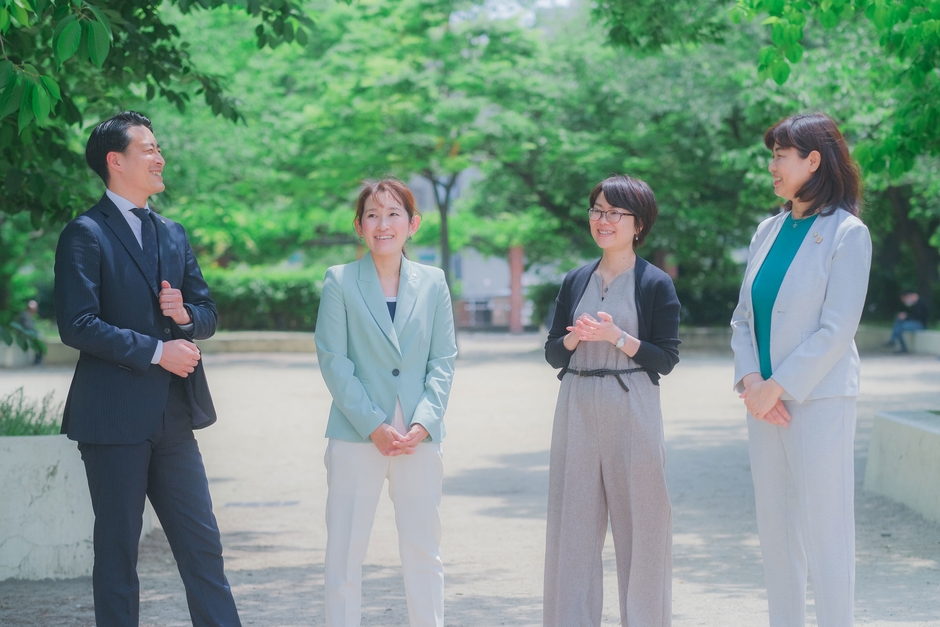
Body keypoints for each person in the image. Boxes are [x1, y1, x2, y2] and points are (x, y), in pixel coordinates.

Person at [54, 111, 240, 626]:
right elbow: (77, 324)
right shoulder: (85, 233)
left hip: (174, 417)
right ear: (115, 161)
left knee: (203, 548)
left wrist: (185, 317)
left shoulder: (173, 233)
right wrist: (158, 351)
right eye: (148, 149)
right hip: (112, 418)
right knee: (118, 555)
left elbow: (207, 314)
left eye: (159, 148)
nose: (160, 157)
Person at [730, 112, 872, 627]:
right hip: (762, 403)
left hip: (818, 398)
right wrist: (752, 382)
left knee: (825, 528)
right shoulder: (766, 230)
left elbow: (837, 329)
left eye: (780, 156)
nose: (772, 166)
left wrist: (778, 386)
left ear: (813, 161)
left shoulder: (847, 233)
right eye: (772, 156)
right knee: (776, 529)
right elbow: (742, 318)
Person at [315, 178, 457, 627]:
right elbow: (334, 360)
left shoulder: (433, 282)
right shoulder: (339, 281)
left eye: (394, 214)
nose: (383, 225)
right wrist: (374, 425)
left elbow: (443, 360)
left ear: (412, 224)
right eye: (372, 215)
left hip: (418, 436)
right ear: (359, 226)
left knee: (423, 548)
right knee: (345, 552)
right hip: (356, 433)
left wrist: (425, 422)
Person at [543, 174, 680, 627]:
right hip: (577, 401)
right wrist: (573, 338)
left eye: (615, 213)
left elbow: (666, 359)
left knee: (643, 525)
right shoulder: (575, 280)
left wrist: (616, 336)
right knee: (572, 526)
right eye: (597, 211)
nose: (603, 220)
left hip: (632, 402)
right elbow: (552, 353)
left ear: (638, 224)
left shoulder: (655, 282)